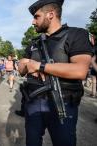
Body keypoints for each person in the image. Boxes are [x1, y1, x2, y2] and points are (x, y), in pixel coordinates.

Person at [18, 0, 93, 146]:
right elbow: (21, 69)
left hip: (62, 104)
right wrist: (25, 64)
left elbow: (80, 71)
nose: (33, 22)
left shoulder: (76, 35)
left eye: (36, 16)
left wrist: (40, 66)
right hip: (33, 103)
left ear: (51, 14)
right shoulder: (34, 42)